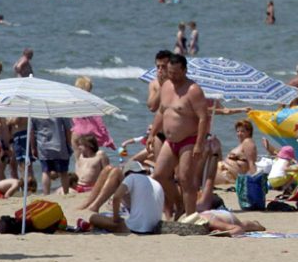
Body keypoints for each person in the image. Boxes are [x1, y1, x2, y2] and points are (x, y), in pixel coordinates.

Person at [151, 54, 210, 217]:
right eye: (170, 72)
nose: (172, 76)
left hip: (189, 140)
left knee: (185, 178)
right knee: (159, 175)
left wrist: (199, 144)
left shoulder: (193, 90)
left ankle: (190, 216)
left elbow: (204, 117)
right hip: (170, 141)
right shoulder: (166, 86)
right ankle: (179, 203)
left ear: (184, 70)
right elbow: (162, 111)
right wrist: (152, 134)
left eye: (176, 73)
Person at [89, 160, 165, 234]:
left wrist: (116, 218)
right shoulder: (155, 182)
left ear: (128, 173)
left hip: (134, 228)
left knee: (94, 218)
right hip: (154, 228)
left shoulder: (131, 177)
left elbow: (116, 197)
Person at [33, 117, 72, 195]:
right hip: (60, 144)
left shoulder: (36, 111)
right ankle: (66, 192)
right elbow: (68, 129)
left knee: (45, 171)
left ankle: (46, 194)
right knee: (63, 172)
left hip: (43, 145)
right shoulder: (59, 110)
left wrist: (33, 147)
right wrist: (68, 143)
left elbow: (31, 131)